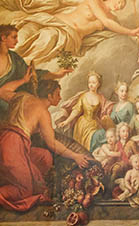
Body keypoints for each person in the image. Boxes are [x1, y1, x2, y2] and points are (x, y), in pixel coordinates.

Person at [0, 79, 90, 212]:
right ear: (49, 96)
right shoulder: (43, 112)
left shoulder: (23, 97)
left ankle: (23, 179)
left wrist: (24, 80)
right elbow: (52, 143)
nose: (60, 97)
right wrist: (75, 155)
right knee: (26, 190)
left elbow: (2, 91)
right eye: (57, 94)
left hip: (7, 141)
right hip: (13, 146)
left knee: (44, 157)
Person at [12, 0, 139, 64]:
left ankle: (19, 64)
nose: (119, 7)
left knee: (48, 38)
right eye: (119, 2)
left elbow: (113, 27)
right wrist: (131, 31)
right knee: (23, 34)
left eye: (121, 7)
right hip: (57, 21)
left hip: (68, 35)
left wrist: (133, 32)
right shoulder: (94, 0)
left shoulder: (112, 19)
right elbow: (106, 21)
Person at [0, 25, 72, 119]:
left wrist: (56, 75)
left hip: (7, 99)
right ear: (3, 38)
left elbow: (31, 75)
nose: (17, 41)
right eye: (14, 37)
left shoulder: (14, 58)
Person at [58, 71, 114, 152]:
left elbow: (105, 109)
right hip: (83, 125)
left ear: (98, 84)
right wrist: (66, 121)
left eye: (94, 82)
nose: (91, 84)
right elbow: (76, 110)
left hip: (95, 124)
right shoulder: (84, 96)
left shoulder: (100, 98)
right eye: (89, 82)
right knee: (89, 143)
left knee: (103, 135)